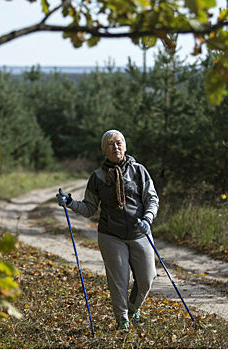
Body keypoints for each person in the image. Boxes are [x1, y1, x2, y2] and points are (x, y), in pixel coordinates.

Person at [56, 129, 159, 330]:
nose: (116, 147)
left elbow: (152, 199)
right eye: (110, 144)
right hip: (111, 235)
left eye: (119, 143)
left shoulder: (139, 171)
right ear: (104, 150)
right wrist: (70, 203)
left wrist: (148, 218)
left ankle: (133, 307)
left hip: (140, 232)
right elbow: (89, 208)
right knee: (119, 281)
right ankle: (123, 321)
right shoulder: (98, 177)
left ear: (125, 146)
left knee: (147, 278)